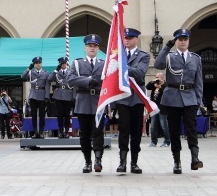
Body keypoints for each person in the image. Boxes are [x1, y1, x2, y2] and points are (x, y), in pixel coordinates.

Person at [154, 28, 204, 175]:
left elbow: (199, 81)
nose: (183, 42)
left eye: (185, 39)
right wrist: (167, 46)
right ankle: (177, 161)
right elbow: (158, 64)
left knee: (191, 128)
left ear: (188, 41)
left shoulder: (195, 58)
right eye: (180, 39)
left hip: (190, 97)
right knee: (174, 130)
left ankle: (195, 158)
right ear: (176, 41)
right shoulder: (169, 57)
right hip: (173, 97)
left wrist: (199, 100)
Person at [112, 28, 149, 175]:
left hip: (137, 98)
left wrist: (122, 67)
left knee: (136, 131)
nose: (127, 40)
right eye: (125, 38)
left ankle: (134, 162)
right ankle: (122, 162)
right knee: (123, 130)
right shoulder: (118, 55)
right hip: (122, 97)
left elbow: (140, 73)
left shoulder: (143, 56)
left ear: (136, 39)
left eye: (130, 38)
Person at [66, 34, 105, 173]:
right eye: (90, 46)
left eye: (95, 46)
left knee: (98, 133)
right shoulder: (77, 63)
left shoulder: (104, 63)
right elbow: (70, 80)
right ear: (85, 48)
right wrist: (87, 81)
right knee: (85, 134)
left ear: (98, 48)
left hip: (98, 101)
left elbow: (108, 81)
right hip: (83, 101)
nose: (92, 48)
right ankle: (87, 161)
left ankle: (98, 160)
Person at [21, 57, 50, 138]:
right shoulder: (31, 72)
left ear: (41, 63)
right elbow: (23, 76)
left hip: (42, 95)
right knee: (33, 115)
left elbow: (47, 85)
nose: (38, 64)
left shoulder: (46, 73)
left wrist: (47, 96)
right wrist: (29, 68)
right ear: (34, 64)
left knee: (42, 116)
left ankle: (41, 132)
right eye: (36, 63)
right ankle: (34, 132)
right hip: (33, 95)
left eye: (39, 63)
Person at [50, 57, 74, 139]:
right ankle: (60, 130)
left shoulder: (70, 72)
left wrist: (73, 97)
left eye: (65, 63)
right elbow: (50, 79)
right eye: (62, 64)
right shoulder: (57, 73)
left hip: (68, 94)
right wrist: (56, 70)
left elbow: (74, 84)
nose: (64, 65)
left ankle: (66, 131)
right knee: (59, 114)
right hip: (59, 95)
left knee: (67, 114)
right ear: (60, 64)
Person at [146, 72, 169, 147]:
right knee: (153, 125)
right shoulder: (154, 85)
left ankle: (167, 141)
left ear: (162, 78)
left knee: (164, 125)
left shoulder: (166, 85)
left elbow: (167, 94)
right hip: (154, 108)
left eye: (158, 77)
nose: (157, 79)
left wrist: (160, 88)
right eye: (156, 77)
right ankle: (153, 141)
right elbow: (147, 87)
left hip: (162, 108)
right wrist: (152, 81)